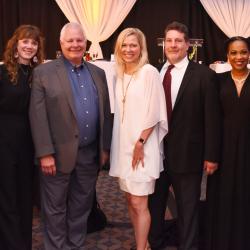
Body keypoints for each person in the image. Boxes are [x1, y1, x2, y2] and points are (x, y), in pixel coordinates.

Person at [29, 22, 113, 250]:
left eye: (79, 40)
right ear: (61, 43)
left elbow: (105, 112)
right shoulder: (43, 73)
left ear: (85, 43)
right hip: (55, 157)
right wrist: (45, 153)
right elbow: (38, 117)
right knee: (54, 208)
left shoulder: (98, 73)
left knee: (81, 206)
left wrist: (104, 148)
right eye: (70, 41)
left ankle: (75, 245)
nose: (75, 45)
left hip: (89, 154)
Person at [148, 21, 221, 250]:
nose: (173, 45)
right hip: (156, 155)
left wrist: (211, 155)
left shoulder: (203, 75)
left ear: (188, 45)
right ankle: (155, 243)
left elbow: (212, 118)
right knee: (155, 208)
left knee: (187, 211)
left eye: (178, 41)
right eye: (169, 40)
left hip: (188, 155)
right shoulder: (154, 71)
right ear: (163, 44)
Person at [109, 27, 168, 250]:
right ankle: (141, 245)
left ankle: (142, 247)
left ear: (141, 47)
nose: (128, 49)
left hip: (142, 146)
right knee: (129, 201)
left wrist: (140, 143)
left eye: (133, 45)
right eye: (124, 45)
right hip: (123, 146)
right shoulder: (120, 72)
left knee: (139, 201)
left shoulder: (149, 72)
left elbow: (155, 112)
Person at [0, 25, 44, 250]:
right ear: (16, 44)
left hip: (28, 143)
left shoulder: (37, 74)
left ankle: (23, 243)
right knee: (7, 196)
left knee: (25, 196)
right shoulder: (2, 71)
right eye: (25, 41)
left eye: (34, 43)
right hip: (4, 141)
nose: (29, 46)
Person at [206, 36, 250, 250]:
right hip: (223, 151)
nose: (239, 57)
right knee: (223, 198)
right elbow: (212, 120)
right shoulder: (218, 81)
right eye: (234, 53)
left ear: (249, 54)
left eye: (243, 52)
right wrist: (211, 156)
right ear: (227, 56)